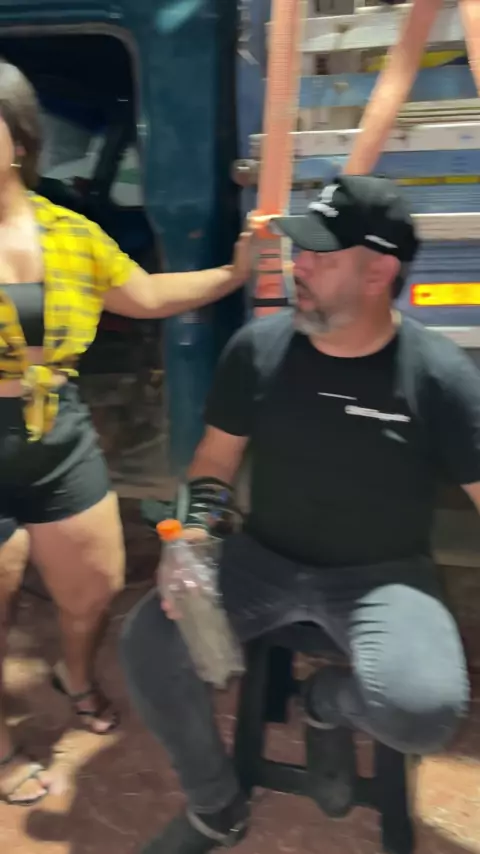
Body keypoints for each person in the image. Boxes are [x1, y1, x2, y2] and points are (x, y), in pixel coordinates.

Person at [121, 174, 473, 854]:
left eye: (320, 255)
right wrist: (192, 538)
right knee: (149, 643)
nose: (297, 267)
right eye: (298, 250)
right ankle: (215, 805)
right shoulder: (258, 349)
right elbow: (215, 458)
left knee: (425, 712)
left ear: (379, 273)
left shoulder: (439, 376)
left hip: (383, 575)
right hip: (263, 559)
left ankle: (325, 704)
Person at [0, 59, 252, 806]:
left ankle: (73, 674)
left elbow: (141, 294)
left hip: (56, 431)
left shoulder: (67, 231)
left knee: (95, 586)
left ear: (18, 140)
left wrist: (234, 275)